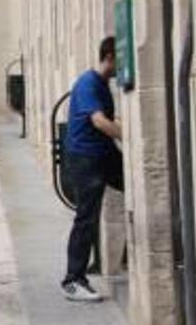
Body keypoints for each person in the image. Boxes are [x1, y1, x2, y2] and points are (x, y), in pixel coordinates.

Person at [61, 37, 123, 303]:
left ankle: (139, 252)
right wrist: (128, 136)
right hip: (86, 158)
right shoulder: (89, 83)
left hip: (103, 154)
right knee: (86, 217)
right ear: (109, 56)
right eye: (122, 57)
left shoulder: (102, 84)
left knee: (139, 188)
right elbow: (99, 121)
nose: (125, 64)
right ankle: (73, 280)